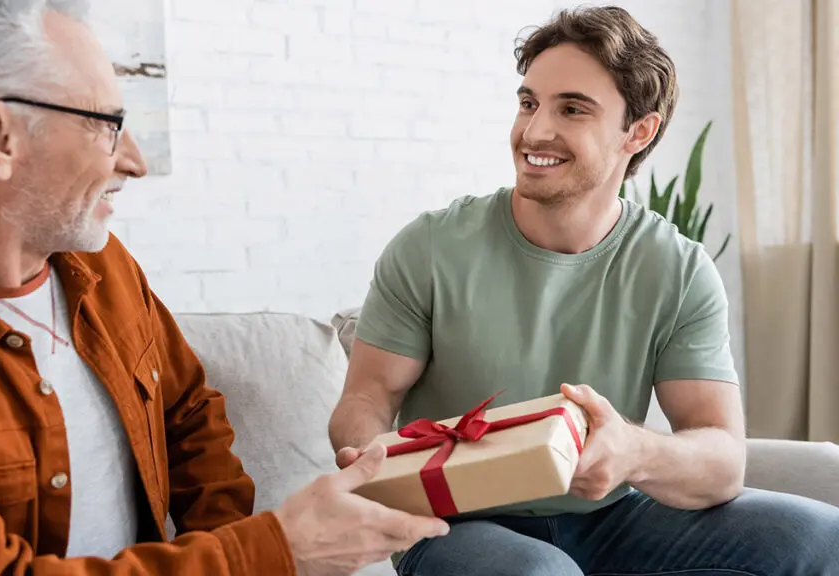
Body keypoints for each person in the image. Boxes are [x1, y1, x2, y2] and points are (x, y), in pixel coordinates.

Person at [0, 1, 450, 574]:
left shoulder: (102, 265)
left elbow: (189, 413)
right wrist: (270, 552)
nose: (135, 160)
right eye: (107, 124)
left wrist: (230, 547)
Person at [328, 5, 839, 576]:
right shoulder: (429, 247)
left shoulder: (678, 268)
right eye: (529, 103)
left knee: (819, 537)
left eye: (571, 108)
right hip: (461, 525)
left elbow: (722, 461)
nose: (534, 131)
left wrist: (636, 451)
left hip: (613, 514)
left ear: (638, 131)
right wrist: (373, 459)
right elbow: (366, 399)